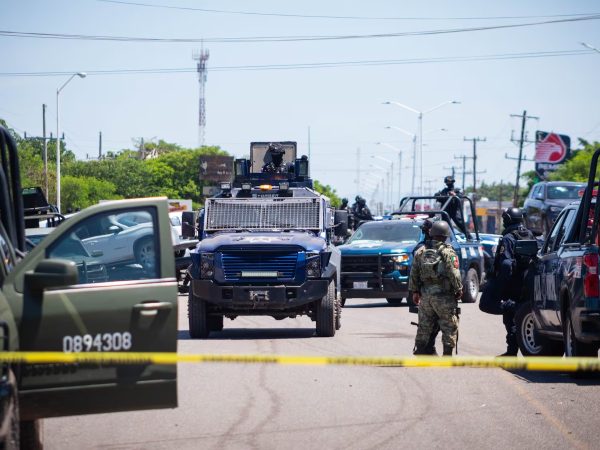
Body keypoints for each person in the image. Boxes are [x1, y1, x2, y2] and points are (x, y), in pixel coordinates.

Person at [409, 221, 463, 356]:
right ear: (445, 235)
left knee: (424, 325)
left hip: (425, 296)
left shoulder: (421, 251)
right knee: (449, 325)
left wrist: (415, 291)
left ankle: (421, 351)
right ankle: (447, 355)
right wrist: (459, 289)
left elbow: (414, 273)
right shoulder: (448, 252)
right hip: (444, 296)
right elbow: (454, 273)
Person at [491, 207, 535, 356]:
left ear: (508, 220)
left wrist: (500, 286)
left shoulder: (508, 238)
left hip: (513, 283)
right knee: (524, 316)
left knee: (510, 317)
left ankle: (511, 352)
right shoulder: (529, 234)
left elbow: (505, 264)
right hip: (528, 282)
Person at [411, 219, 440, 355]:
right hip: (426, 292)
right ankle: (425, 349)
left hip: (435, 292)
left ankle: (428, 348)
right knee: (428, 323)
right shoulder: (421, 249)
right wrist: (415, 291)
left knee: (434, 323)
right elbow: (415, 272)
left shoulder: (441, 247)